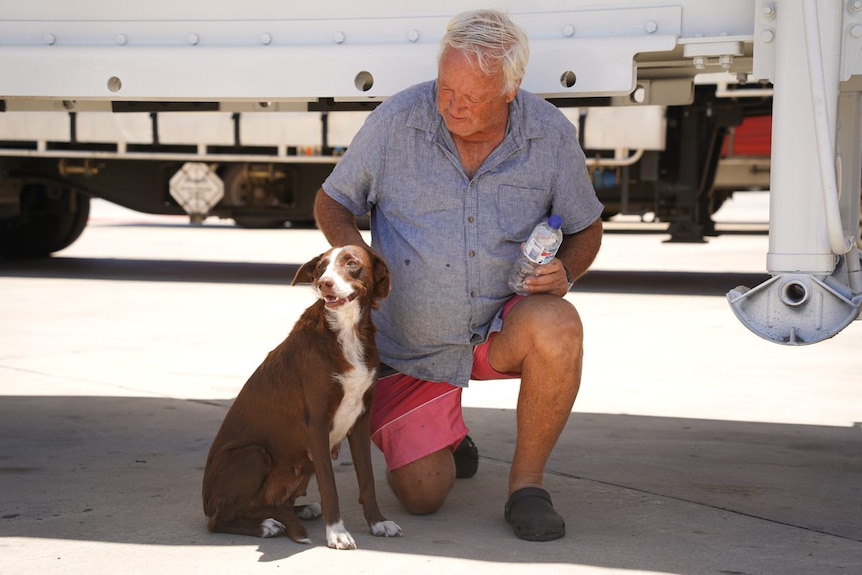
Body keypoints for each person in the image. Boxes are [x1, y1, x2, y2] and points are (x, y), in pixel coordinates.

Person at [313, 8, 603, 542]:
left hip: (499, 328)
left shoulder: (549, 135)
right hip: (412, 348)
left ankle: (528, 487)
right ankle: (447, 432)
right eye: (447, 88)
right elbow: (332, 200)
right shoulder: (397, 121)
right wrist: (354, 257)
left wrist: (567, 271)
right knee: (422, 497)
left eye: (471, 96)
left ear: (511, 89)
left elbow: (588, 228)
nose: (452, 105)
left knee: (560, 324)